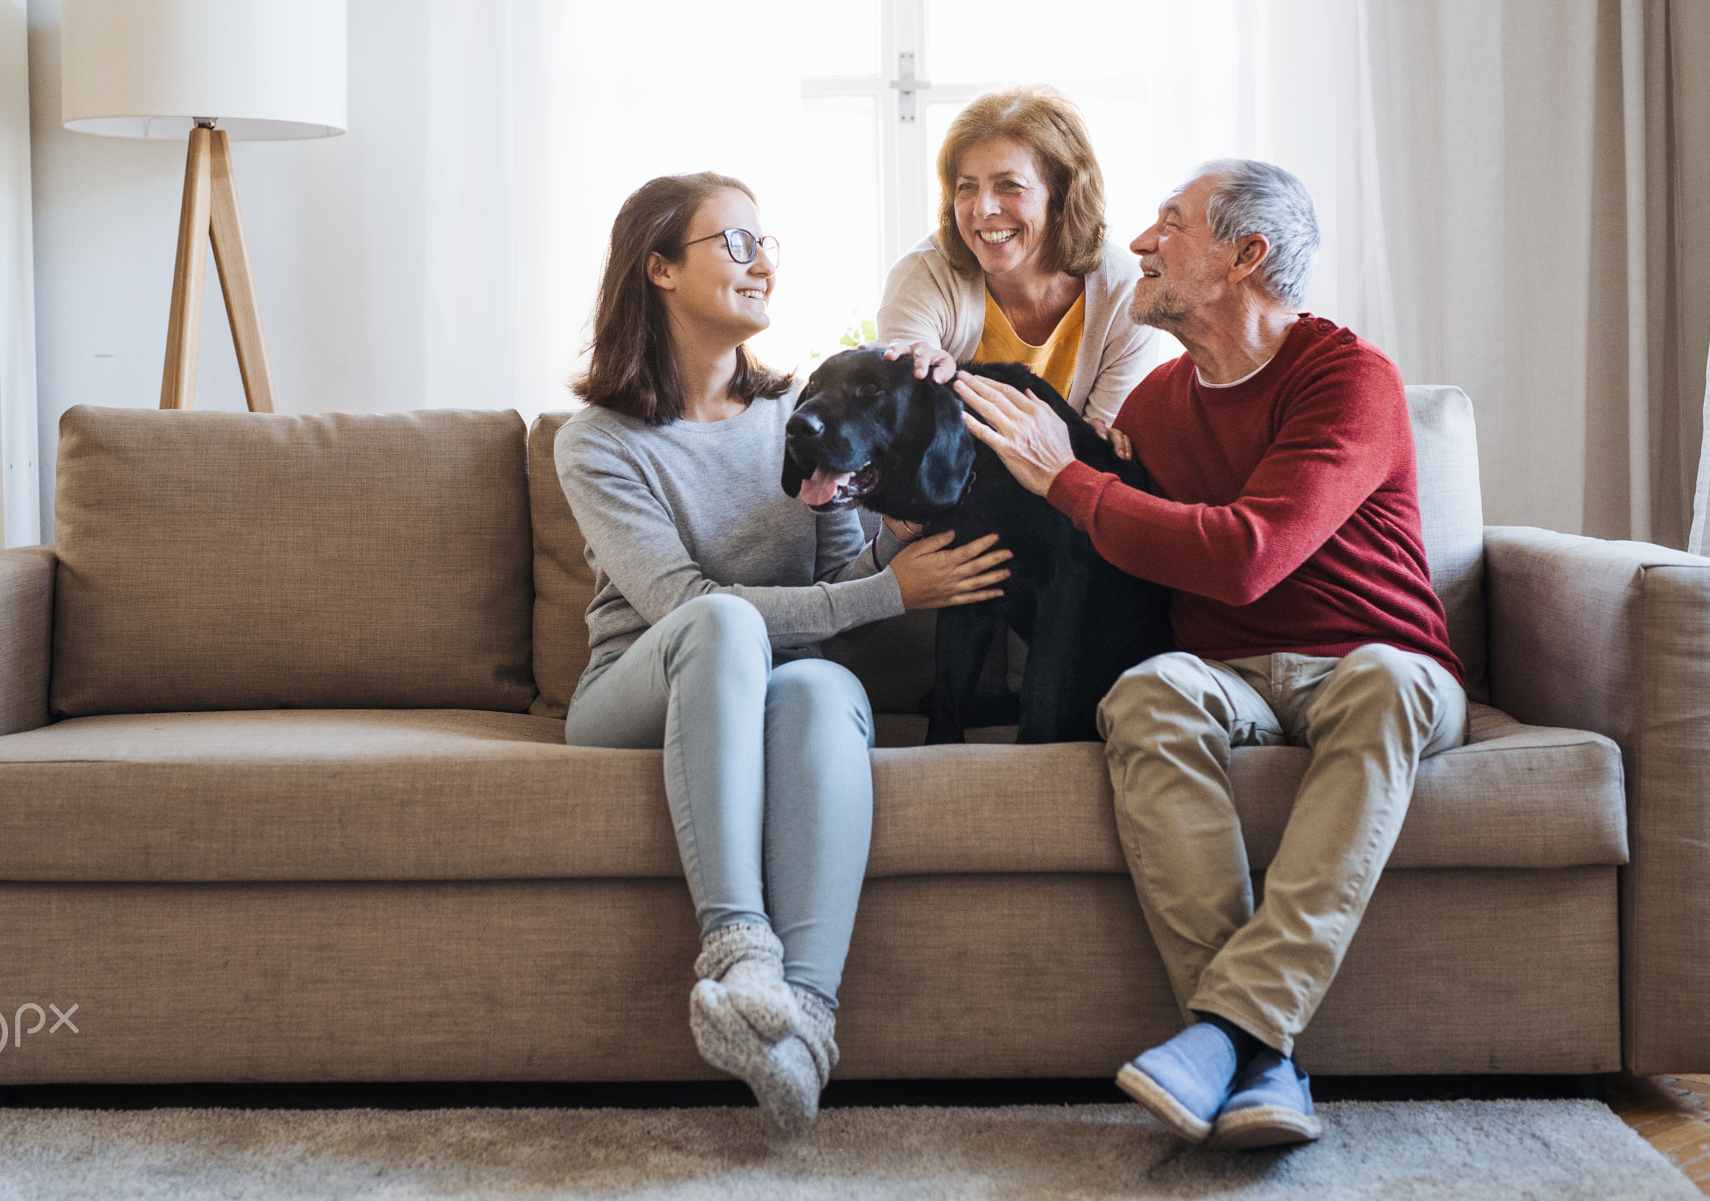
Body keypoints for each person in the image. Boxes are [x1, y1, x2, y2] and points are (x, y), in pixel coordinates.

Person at [953, 159, 1468, 1150]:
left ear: (1245, 255)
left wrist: (1072, 482)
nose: (1139, 242)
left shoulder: (1346, 377)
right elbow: (1105, 544)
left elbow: (1244, 558)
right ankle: (1259, 1058)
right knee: (1145, 695)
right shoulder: (1150, 407)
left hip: (1377, 659)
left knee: (1378, 685)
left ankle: (1225, 1029)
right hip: (1228, 679)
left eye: (1170, 223)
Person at [555, 172, 1010, 1132]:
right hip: (634, 694)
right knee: (722, 625)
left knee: (815, 687)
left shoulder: (797, 414)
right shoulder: (597, 440)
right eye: (736, 242)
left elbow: (841, 570)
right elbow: (684, 605)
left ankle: (801, 1015)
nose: (763, 261)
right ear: (660, 269)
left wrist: (905, 454)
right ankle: (737, 946)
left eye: (768, 242)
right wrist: (892, 592)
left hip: (768, 686)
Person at [878, 85, 1169, 427]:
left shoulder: (1124, 292)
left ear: (1061, 196)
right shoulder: (922, 276)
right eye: (966, 186)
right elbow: (918, 433)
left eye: (1009, 185)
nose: (983, 209)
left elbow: (1100, 457)